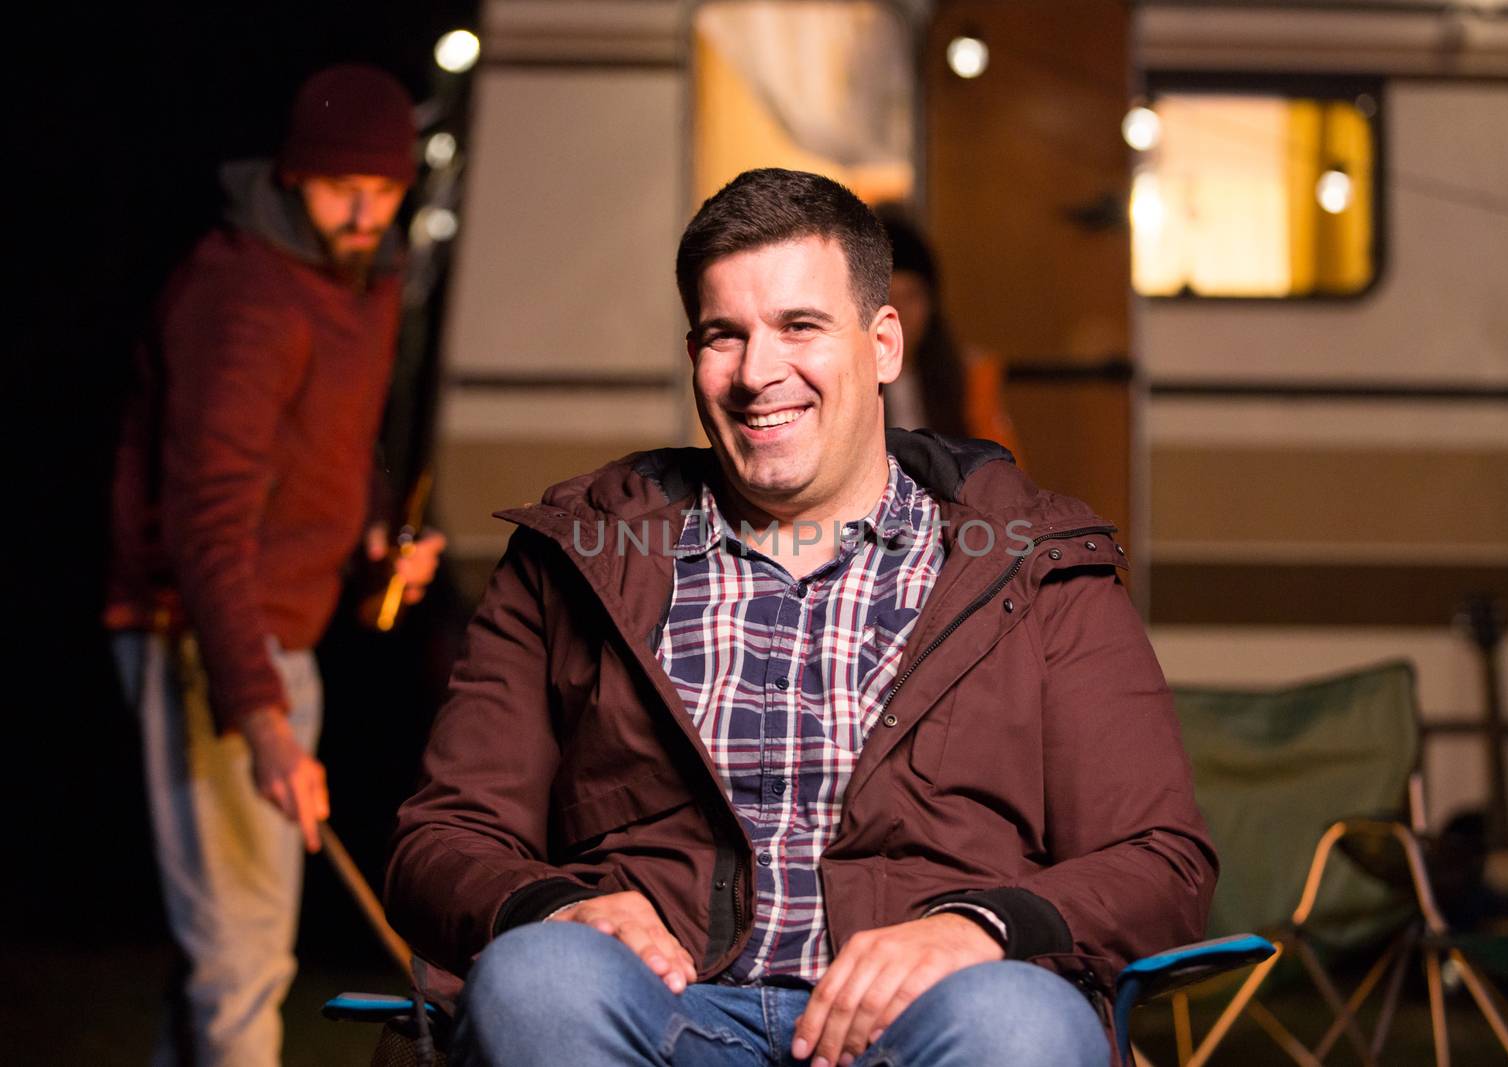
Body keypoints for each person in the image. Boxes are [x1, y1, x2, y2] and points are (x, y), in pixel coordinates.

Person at [386, 168, 1215, 1067]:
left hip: (929, 1023)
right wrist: (552, 909)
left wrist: (982, 925)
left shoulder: (1037, 565)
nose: (756, 373)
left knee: (1020, 1021)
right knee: (538, 981)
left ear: (884, 340)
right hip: (657, 1019)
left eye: (799, 327)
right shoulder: (580, 556)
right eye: (722, 336)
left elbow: (1161, 857)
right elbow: (440, 838)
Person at [105, 64, 446, 1067]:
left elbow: (343, 445)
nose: (363, 208)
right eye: (343, 186)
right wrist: (256, 713)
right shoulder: (243, 293)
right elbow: (203, 521)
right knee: (245, 953)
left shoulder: (365, 277)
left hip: (282, 629)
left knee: (224, 939)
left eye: (382, 190)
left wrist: (378, 530)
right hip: (202, 631)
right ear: (294, 177)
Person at [877, 208, 1024, 463]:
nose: (899, 311)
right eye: (888, 296)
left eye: (911, 296)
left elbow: (1004, 472)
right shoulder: (844, 378)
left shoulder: (969, 375)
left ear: (932, 303)